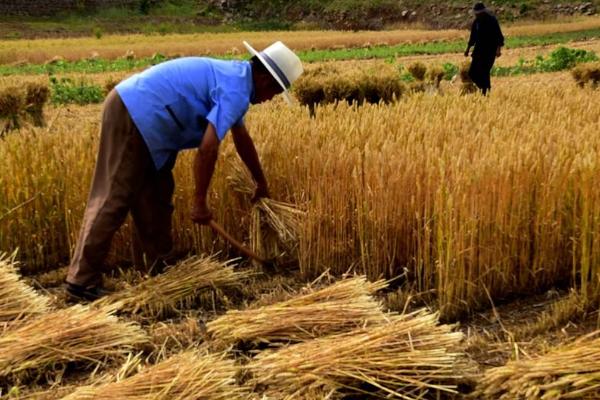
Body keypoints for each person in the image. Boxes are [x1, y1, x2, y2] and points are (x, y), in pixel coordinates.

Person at [65, 41, 304, 301]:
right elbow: (208, 148)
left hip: (156, 129)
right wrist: (199, 202)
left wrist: (261, 182)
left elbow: (242, 139)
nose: (269, 98)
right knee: (114, 196)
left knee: (157, 197)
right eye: (273, 90)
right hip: (136, 113)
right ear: (263, 77)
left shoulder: (236, 80)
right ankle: (81, 281)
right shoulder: (236, 89)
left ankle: (158, 270)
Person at [464, 2, 505, 95]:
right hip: (478, 50)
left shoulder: (492, 21)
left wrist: (498, 50)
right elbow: (473, 37)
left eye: (477, 13)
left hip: (490, 50)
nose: (476, 15)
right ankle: (483, 87)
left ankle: (485, 91)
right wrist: (467, 49)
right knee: (472, 73)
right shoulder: (476, 22)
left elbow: (499, 36)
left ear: (482, 12)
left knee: (485, 72)